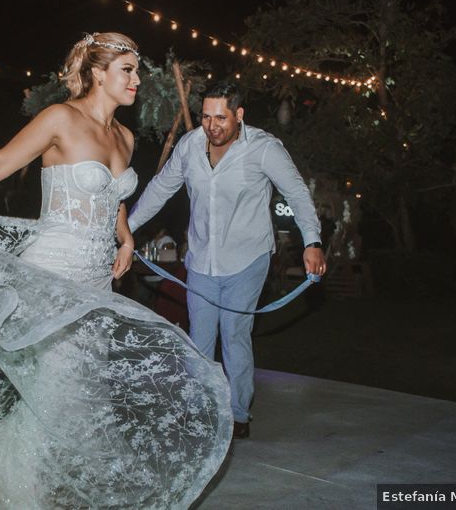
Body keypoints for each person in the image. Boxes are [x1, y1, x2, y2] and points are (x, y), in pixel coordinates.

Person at [0, 32, 231, 508]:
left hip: (95, 280)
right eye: (127, 71)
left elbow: (113, 196)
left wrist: (127, 237)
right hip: (51, 274)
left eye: (136, 71)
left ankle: (45, 486)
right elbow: (0, 161)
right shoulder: (59, 119)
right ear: (97, 73)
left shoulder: (125, 136)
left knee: (81, 394)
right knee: (55, 392)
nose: (137, 80)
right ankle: (19, 491)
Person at [128, 81, 326, 439]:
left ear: (238, 115)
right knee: (199, 338)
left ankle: (238, 414)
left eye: (221, 117)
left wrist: (312, 241)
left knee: (234, 334)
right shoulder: (190, 146)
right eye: (206, 116)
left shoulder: (264, 149)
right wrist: (127, 228)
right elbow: (160, 189)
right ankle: (200, 410)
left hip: (247, 259)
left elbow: (297, 193)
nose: (212, 125)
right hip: (202, 259)